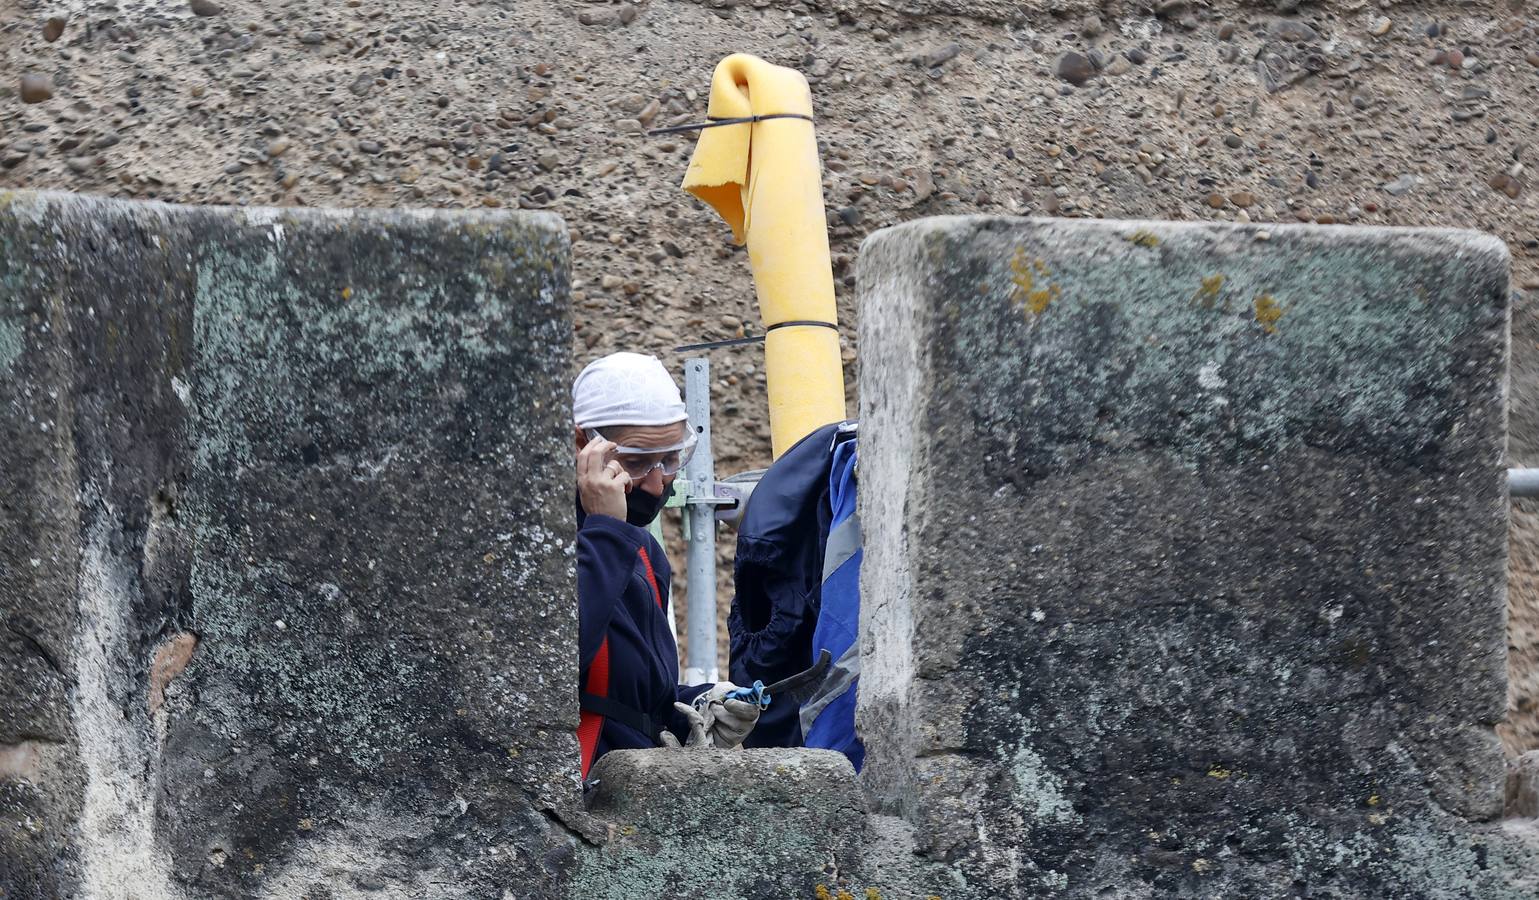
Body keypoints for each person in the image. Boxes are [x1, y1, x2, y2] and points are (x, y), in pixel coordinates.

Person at [572, 352, 761, 779]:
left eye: (671, 459)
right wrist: (604, 527)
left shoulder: (640, 551)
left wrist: (700, 704)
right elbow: (553, 663)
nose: (658, 483)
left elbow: (639, 702)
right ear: (582, 444)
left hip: (636, 792)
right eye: (637, 461)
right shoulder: (556, 544)